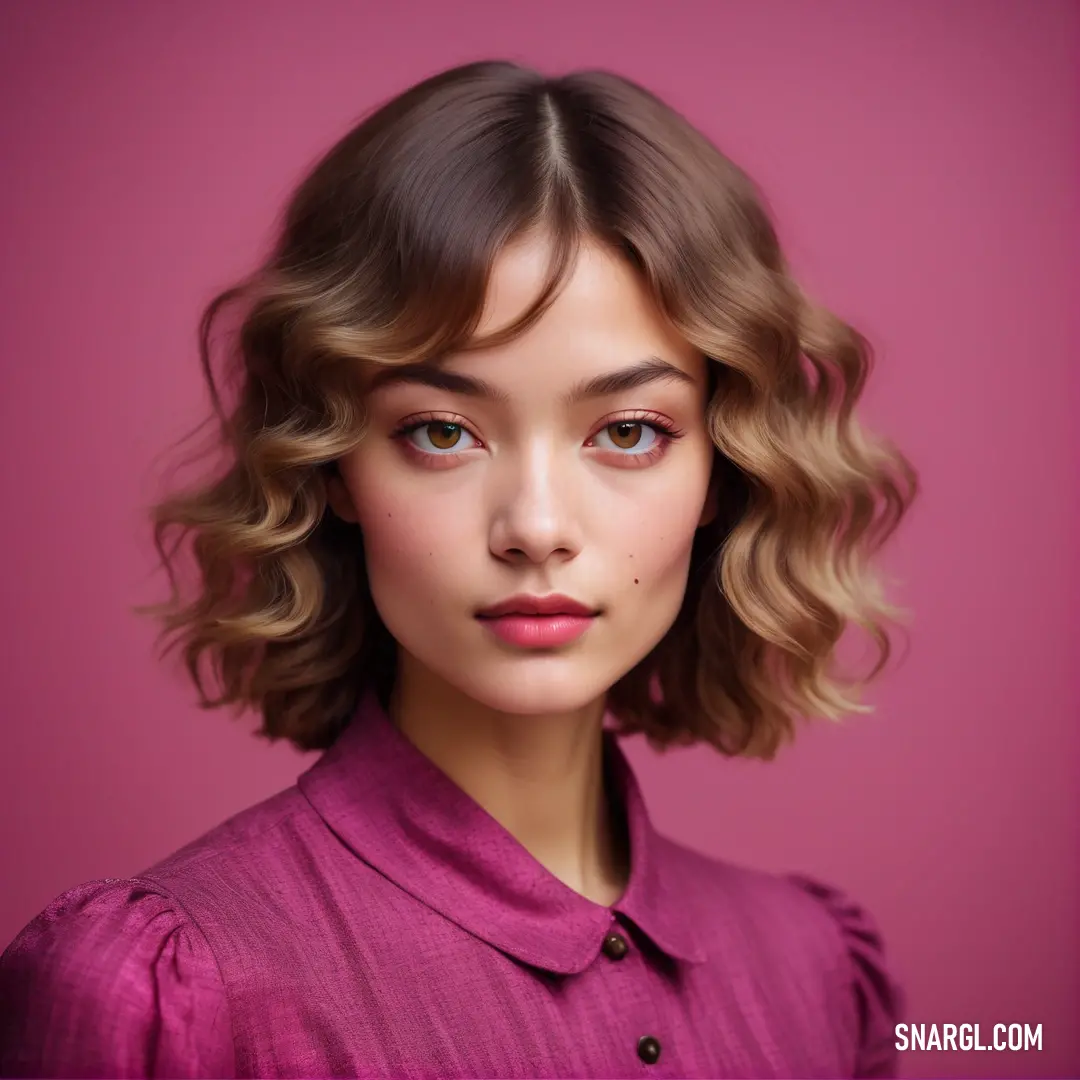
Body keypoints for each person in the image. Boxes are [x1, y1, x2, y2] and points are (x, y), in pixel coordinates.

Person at [0, 60, 918, 1079]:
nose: (534, 526)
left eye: (627, 430)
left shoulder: (814, 970)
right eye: (442, 431)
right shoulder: (170, 995)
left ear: (724, 472)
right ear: (334, 460)